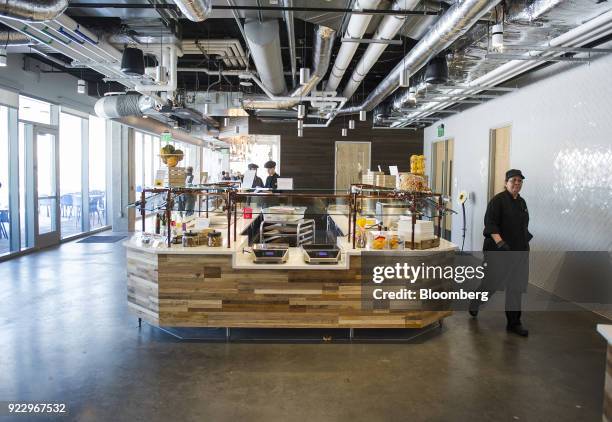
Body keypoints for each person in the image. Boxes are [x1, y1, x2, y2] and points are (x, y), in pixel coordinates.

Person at [469, 169, 533, 337]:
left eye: (520, 181)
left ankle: (514, 322)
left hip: (518, 251)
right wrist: (501, 243)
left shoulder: (522, 203)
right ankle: (476, 302)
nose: (517, 183)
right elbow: (490, 224)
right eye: (514, 180)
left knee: (516, 286)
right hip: (499, 249)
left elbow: (522, 226)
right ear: (506, 183)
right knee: (492, 283)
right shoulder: (497, 201)